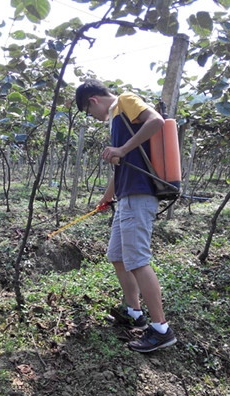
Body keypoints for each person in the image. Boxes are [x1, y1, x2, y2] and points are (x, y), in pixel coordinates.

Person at [75, 79, 177, 353]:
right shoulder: (118, 118)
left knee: (137, 260)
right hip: (126, 195)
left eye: (88, 112)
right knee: (118, 256)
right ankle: (135, 314)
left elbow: (155, 121)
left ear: (93, 101)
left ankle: (161, 330)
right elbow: (124, 164)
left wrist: (121, 149)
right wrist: (108, 195)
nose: (93, 118)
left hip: (140, 194)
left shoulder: (125, 101)